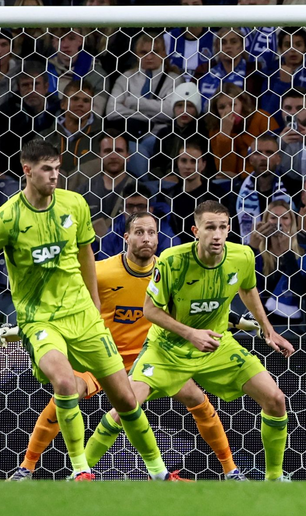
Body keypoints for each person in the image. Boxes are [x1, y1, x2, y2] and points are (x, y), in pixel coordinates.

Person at [0, 140, 175, 480]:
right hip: (40, 319)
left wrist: (94, 304)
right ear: (28, 170)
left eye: (58, 168)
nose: (55, 176)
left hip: (83, 317)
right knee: (65, 383)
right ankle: (80, 471)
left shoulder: (75, 204)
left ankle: (159, 473)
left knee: (126, 400)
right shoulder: (6, 219)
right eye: (47, 170)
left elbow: (85, 257)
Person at [8, 211, 246, 481]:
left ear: (159, 238)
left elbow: (197, 306)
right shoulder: (101, 272)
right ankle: (27, 468)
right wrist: (21, 329)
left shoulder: (169, 271)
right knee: (65, 395)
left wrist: (238, 321)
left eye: (152, 233)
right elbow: (64, 304)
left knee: (197, 399)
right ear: (126, 237)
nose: (147, 238)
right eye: (140, 232)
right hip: (101, 357)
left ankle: (231, 470)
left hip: (150, 359)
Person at [83, 200, 295, 481]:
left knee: (275, 399)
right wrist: (190, 333)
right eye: (210, 228)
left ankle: (274, 479)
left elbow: (247, 288)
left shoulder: (242, 256)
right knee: (125, 406)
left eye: (222, 227)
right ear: (196, 230)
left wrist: (268, 330)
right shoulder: (173, 260)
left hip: (216, 345)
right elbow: (150, 310)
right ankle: (79, 472)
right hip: (168, 348)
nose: (217, 235)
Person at [248, 201, 306, 334]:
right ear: (265, 222)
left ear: (292, 223)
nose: (279, 222)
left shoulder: (304, 253)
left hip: (292, 327)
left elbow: (301, 292)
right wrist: (252, 248)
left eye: (285, 218)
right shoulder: (258, 256)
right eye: (273, 218)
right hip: (260, 324)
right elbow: (248, 285)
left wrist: (288, 255)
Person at [106, 33, 182, 137]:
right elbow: (111, 111)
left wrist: (133, 102)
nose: (149, 57)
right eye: (143, 52)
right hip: (129, 133)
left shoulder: (175, 80)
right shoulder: (125, 78)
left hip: (159, 135)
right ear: (137, 55)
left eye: (154, 52)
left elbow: (171, 111)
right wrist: (149, 118)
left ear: (163, 54)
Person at [207, 83, 280, 180]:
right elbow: (225, 171)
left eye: (233, 104)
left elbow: (271, 160)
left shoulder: (262, 118)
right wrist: (225, 135)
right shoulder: (216, 130)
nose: (228, 110)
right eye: (222, 107)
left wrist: (241, 177)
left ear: (242, 103)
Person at [235, 135, 292, 243]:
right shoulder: (237, 191)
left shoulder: (292, 188)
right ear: (250, 159)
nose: (263, 158)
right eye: (258, 153)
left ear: (278, 159)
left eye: (269, 153)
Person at [99, 183, 181, 258]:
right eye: (130, 206)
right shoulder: (113, 234)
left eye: (140, 206)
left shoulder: (167, 237)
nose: (135, 211)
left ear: (150, 209)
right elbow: (103, 263)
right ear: (122, 209)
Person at [259, 28, 306, 117]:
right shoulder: (271, 72)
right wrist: (282, 84)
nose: (293, 49)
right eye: (287, 45)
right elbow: (268, 114)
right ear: (280, 49)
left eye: (298, 45)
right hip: (278, 128)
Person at [163, 0, 216, 80]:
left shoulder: (216, 38)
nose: (191, 9)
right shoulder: (168, 38)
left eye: (196, 5)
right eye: (185, 5)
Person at [198, 27, 250, 100]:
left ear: (242, 47)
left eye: (233, 42)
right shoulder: (206, 75)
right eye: (223, 42)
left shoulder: (253, 75)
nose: (228, 46)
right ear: (217, 48)